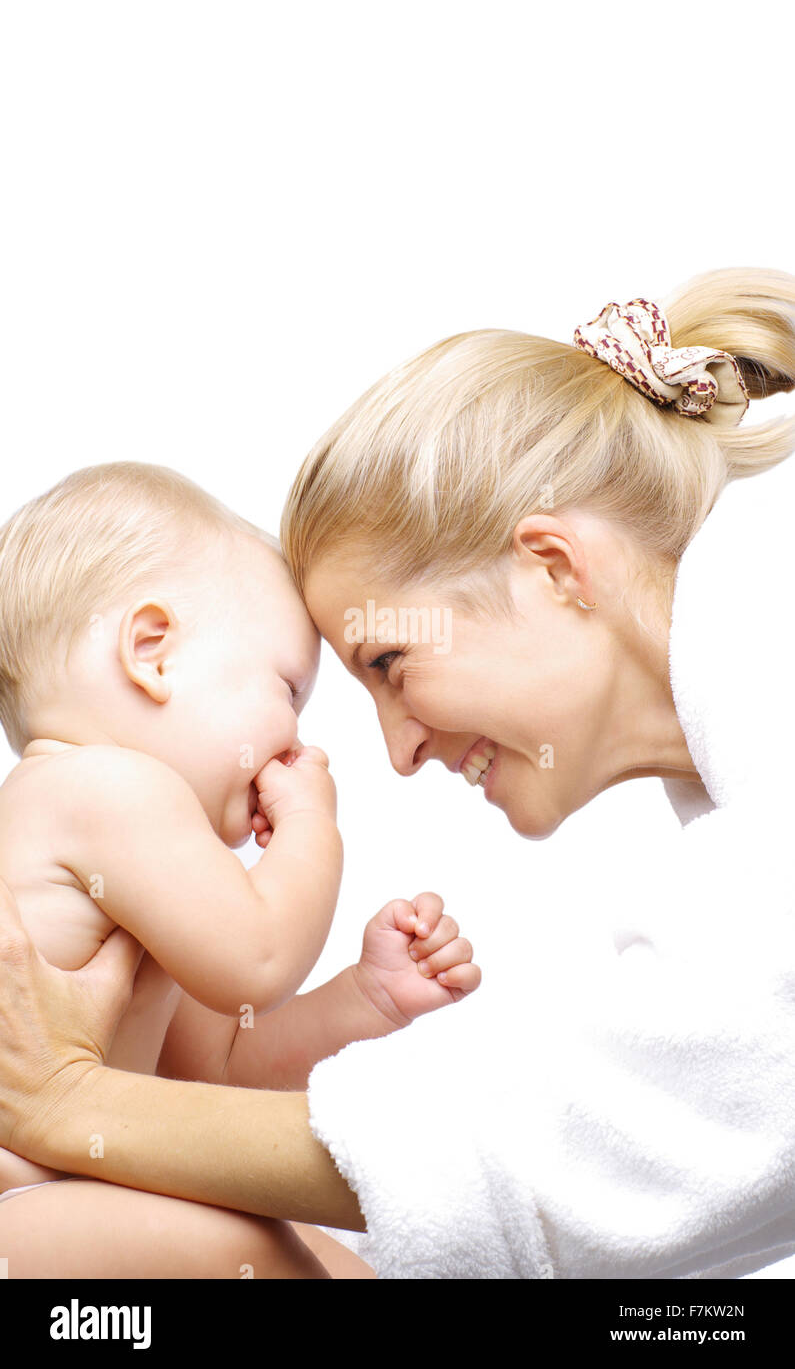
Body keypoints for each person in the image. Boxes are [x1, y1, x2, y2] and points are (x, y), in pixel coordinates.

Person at [1, 267, 794, 1279]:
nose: (395, 753)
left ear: (554, 569)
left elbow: (629, 1128)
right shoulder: (101, 798)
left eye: (387, 663)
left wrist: (71, 1099)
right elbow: (614, 1133)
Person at [0, 462, 478, 1278]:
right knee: (252, 1250)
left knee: (332, 1260)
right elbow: (255, 964)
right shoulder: (103, 787)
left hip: (62, 1198)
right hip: (20, 1205)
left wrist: (362, 997)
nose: (300, 743)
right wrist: (309, 825)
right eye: (287, 692)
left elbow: (217, 1071)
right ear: (152, 653)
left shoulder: (130, 855)